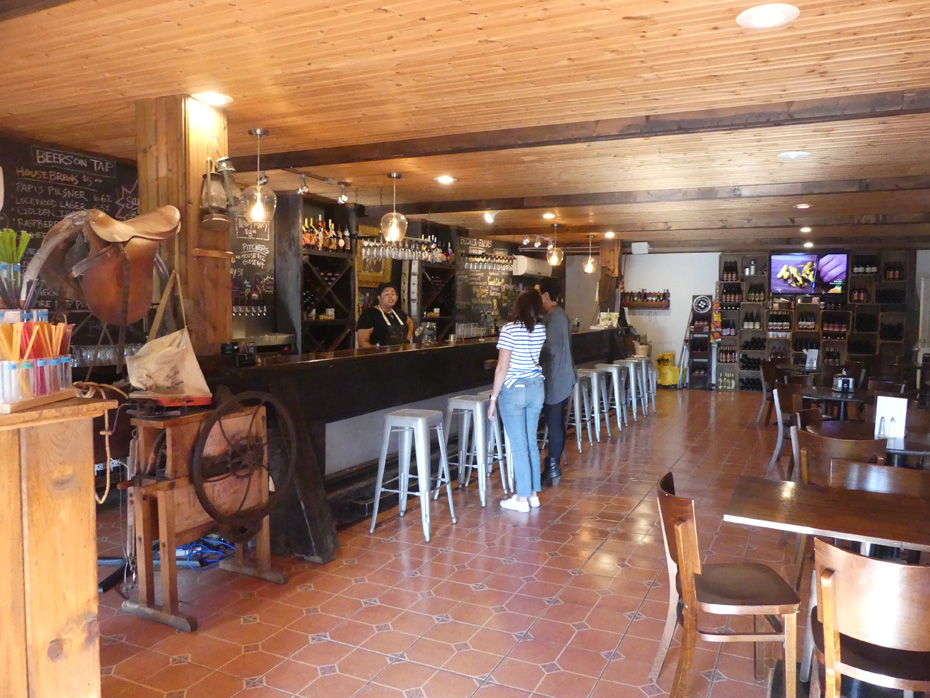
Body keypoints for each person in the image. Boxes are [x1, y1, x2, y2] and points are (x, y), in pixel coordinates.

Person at [488, 289, 546, 512]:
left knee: (519, 445)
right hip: (536, 388)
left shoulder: (509, 330)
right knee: (531, 442)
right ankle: (532, 494)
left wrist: (493, 399)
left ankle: (521, 499)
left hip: (515, 390)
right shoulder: (540, 329)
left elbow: (502, 368)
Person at [537, 277, 576, 487]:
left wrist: (533, 346)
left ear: (545, 295)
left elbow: (551, 348)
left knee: (553, 423)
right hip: (561, 375)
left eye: (539, 294)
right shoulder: (558, 315)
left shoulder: (554, 317)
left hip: (556, 377)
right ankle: (552, 467)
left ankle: (552, 468)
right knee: (556, 422)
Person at [356, 282, 414, 347]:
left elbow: (410, 323)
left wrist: (407, 341)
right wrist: (378, 355)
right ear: (379, 297)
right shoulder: (369, 314)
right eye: (386, 294)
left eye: (393, 294)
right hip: (380, 355)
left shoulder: (398, 312)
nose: (391, 297)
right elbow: (362, 342)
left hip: (399, 355)